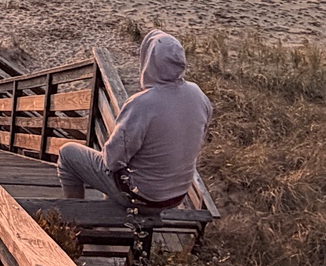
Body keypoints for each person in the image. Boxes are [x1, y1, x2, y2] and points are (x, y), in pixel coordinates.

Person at [57, 30, 212, 208]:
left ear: (149, 61)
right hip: (177, 195)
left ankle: (77, 216)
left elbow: (111, 161)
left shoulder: (142, 104)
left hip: (144, 195)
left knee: (67, 153)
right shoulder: (198, 95)